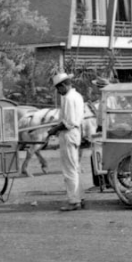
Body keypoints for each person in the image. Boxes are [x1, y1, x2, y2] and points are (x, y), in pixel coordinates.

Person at [46, 72, 85, 211]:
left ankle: (73, 201)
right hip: (75, 134)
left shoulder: (68, 98)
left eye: (58, 89)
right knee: (74, 168)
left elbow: (68, 122)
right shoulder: (78, 96)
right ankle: (79, 197)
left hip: (68, 134)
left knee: (69, 170)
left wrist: (54, 129)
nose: (58, 92)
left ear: (63, 85)